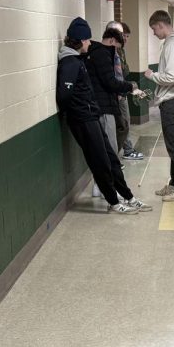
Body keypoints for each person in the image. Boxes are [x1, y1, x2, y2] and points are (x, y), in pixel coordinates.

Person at [56, 17, 147, 214]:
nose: (90, 43)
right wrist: (77, 111)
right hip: (83, 119)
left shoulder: (79, 59)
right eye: (87, 40)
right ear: (80, 40)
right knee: (101, 162)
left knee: (111, 159)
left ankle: (128, 196)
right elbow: (64, 96)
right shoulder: (70, 63)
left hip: (92, 115)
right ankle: (114, 202)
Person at [86, 26, 149, 199]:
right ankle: (109, 188)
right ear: (112, 41)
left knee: (105, 151)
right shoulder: (102, 54)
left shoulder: (97, 53)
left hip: (102, 106)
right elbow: (110, 82)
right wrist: (129, 86)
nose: (118, 52)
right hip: (103, 108)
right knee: (110, 151)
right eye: (117, 47)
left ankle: (101, 186)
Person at [143, 10, 174, 202]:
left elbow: (172, 76)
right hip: (172, 99)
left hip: (173, 100)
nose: (154, 33)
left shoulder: (173, 44)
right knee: (173, 145)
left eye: (154, 29)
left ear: (162, 25)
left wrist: (152, 76)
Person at [106, 20, 143, 161]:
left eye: (127, 36)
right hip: (116, 93)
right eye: (124, 35)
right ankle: (122, 152)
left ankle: (126, 150)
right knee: (120, 124)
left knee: (125, 122)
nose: (125, 38)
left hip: (122, 90)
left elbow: (124, 70)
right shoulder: (110, 51)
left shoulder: (120, 50)